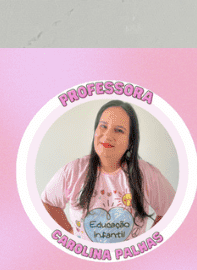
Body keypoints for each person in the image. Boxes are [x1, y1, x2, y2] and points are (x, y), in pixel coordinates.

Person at [40, 100, 174, 244]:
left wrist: (147, 243)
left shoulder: (146, 174)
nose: (108, 135)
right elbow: (47, 203)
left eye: (119, 130)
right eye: (103, 126)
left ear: (130, 141)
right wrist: (68, 231)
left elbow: (173, 209)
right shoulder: (73, 171)